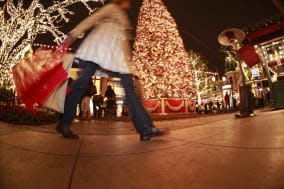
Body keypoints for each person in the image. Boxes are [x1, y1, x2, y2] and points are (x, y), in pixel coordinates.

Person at [56, 0, 165, 140]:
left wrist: (129, 65)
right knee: (80, 84)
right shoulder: (111, 8)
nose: (130, 3)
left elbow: (124, 41)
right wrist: (73, 36)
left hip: (116, 56)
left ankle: (146, 128)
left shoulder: (124, 17)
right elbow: (92, 19)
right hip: (97, 49)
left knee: (128, 89)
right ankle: (64, 121)